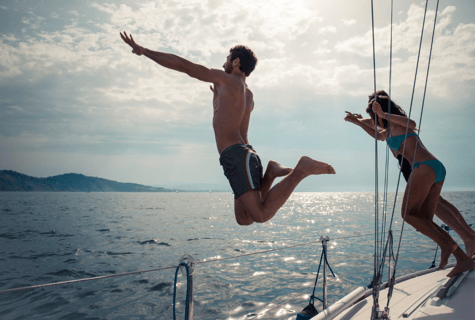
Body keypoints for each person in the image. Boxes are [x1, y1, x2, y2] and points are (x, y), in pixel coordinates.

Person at [120, 32, 335, 226]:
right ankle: (269, 174)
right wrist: (216, 100)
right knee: (244, 219)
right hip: (247, 154)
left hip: (235, 155)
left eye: (226, 58)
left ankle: (301, 170)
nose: (224, 62)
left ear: (236, 61)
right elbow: (235, 128)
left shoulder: (225, 80)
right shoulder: (248, 95)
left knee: (259, 215)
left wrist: (145, 51)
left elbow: (185, 67)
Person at [344, 90, 474, 277]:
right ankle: (462, 258)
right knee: (425, 221)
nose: (374, 120)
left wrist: (382, 114)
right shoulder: (388, 131)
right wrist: (358, 122)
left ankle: (451, 244)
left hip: (424, 167)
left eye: (374, 116)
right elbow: (378, 135)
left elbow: (412, 124)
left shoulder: (397, 125)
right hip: (433, 169)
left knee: (407, 214)